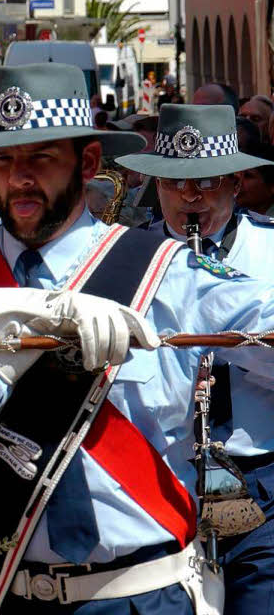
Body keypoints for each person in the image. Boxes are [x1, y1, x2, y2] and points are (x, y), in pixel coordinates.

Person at [0, 62, 274, 613]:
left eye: (40, 158)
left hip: (141, 593)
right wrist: (28, 326)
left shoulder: (169, 269)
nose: (19, 177)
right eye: (2, 160)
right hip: (4, 589)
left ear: (88, 162)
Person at [117, 104, 274, 615]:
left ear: (235, 182)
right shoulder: (125, 261)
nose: (190, 197)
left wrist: (226, 336)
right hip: (160, 477)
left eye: (206, 182)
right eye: (173, 184)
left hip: (260, 475)